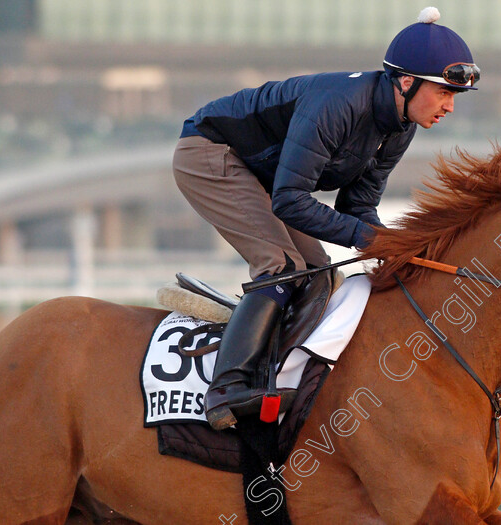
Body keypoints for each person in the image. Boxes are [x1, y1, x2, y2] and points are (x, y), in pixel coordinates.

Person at [172, 7, 480, 430]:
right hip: (209, 152)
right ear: (406, 81)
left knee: (318, 273)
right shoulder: (338, 105)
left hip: (264, 177)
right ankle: (226, 389)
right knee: (281, 268)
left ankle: (281, 376)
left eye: (453, 96)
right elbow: (289, 200)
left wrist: (392, 245)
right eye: (443, 92)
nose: (448, 106)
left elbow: (357, 210)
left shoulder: (401, 126)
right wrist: (372, 240)